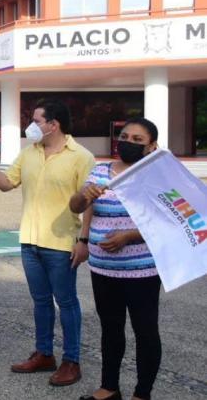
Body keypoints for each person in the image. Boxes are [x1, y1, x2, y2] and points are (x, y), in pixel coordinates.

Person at [0, 100, 95, 386]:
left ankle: (71, 361)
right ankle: (44, 354)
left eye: (37, 120)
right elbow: (5, 184)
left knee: (66, 302)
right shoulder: (28, 154)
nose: (32, 125)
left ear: (54, 124)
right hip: (29, 241)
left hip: (63, 242)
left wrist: (84, 240)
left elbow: (89, 200)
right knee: (40, 302)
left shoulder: (81, 156)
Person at [70, 118, 162, 400]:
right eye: (124, 136)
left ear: (152, 147)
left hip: (142, 270)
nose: (128, 143)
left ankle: (141, 393)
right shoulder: (100, 171)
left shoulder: (157, 177)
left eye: (137, 140)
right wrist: (83, 196)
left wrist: (129, 236)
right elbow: (77, 207)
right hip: (103, 268)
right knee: (110, 328)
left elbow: (167, 221)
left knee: (145, 330)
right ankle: (109, 387)